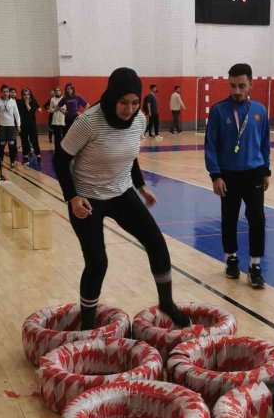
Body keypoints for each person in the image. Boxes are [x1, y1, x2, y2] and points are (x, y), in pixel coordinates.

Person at [53, 67, 190, 330]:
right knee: (97, 262)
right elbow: (61, 159)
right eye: (124, 103)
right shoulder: (88, 122)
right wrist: (72, 197)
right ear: (112, 96)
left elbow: (129, 154)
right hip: (87, 198)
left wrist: (140, 186)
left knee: (157, 243)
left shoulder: (139, 120)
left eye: (135, 103)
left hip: (121, 192)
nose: (130, 109)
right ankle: (89, 326)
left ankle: (167, 303)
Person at [204, 63, 271, 289]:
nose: (237, 91)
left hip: (254, 175)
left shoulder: (260, 111)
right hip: (228, 176)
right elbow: (210, 146)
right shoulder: (218, 111)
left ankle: (255, 265)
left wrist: (266, 170)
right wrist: (215, 175)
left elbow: (264, 144)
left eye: (242, 86)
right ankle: (231, 258)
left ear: (251, 84)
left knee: (257, 219)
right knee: (229, 219)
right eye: (232, 86)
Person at [0, 85, 20, 168]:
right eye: (4, 92)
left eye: (7, 91)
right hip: (1, 126)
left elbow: (16, 114)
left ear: (9, 92)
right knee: (1, 145)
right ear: (1, 92)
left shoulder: (13, 101)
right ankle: (1, 161)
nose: (5, 93)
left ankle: (12, 162)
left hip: (11, 126)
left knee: (11, 145)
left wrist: (18, 125)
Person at [16, 88, 41, 165]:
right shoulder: (19, 102)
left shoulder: (33, 102)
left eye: (28, 94)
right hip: (23, 125)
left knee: (34, 141)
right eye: (25, 94)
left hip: (32, 125)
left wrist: (27, 103)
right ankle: (26, 158)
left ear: (30, 95)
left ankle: (38, 156)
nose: (26, 96)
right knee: (24, 142)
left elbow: (31, 111)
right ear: (22, 95)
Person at [47, 87, 66, 152]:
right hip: (55, 121)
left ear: (61, 91)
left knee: (64, 136)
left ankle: (64, 150)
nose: (57, 92)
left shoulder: (64, 99)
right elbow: (51, 110)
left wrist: (60, 109)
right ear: (55, 92)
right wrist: (56, 109)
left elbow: (65, 108)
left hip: (63, 120)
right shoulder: (52, 99)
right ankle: (57, 150)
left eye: (59, 91)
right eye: (56, 91)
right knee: (57, 137)